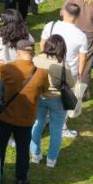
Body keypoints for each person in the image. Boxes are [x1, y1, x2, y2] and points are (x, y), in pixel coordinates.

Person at [0, 47, 45, 184]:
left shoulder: (5, 68)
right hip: (26, 118)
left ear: (17, 53)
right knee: (23, 150)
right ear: (33, 53)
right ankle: (21, 180)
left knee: (0, 148)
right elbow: (44, 89)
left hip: (5, 116)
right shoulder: (41, 72)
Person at [28, 35, 69, 170]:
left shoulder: (36, 59)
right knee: (56, 129)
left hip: (39, 97)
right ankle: (51, 160)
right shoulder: (62, 63)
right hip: (58, 99)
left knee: (37, 124)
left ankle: (35, 154)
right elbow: (71, 82)